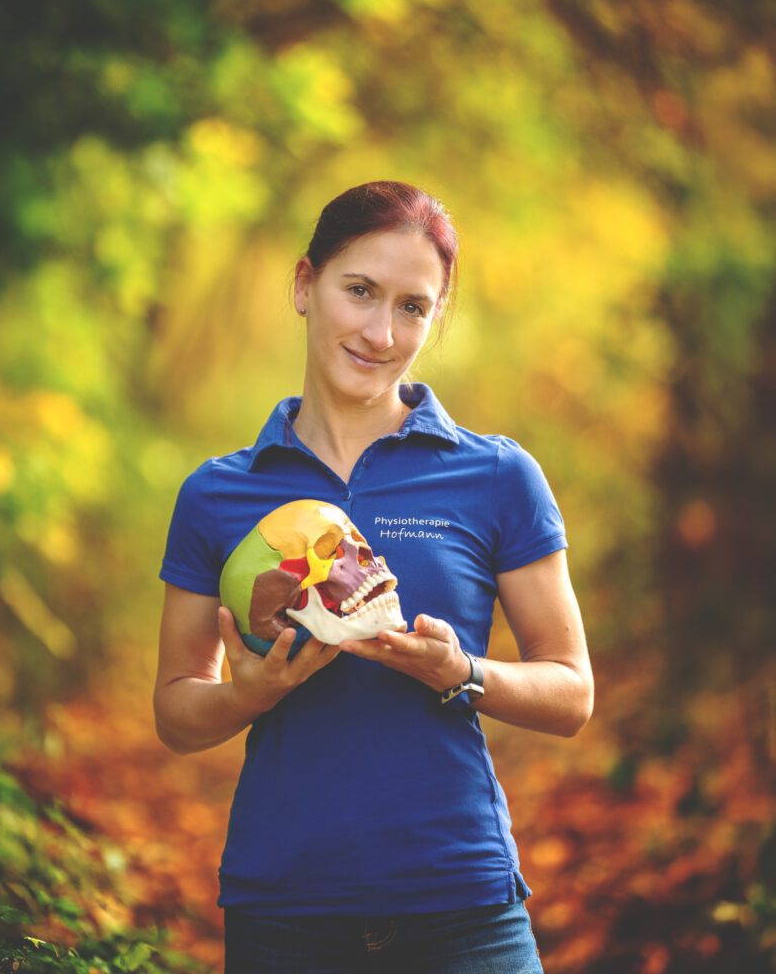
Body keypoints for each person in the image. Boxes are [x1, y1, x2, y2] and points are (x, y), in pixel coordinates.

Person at [154, 180, 594, 974]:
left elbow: (572, 693)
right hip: (283, 911)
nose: (382, 332)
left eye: (413, 307)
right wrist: (246, 696)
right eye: (360, 291)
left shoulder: (497, 476)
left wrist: (461, 671)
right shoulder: (217, 494)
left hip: (464, 907)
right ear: (303, 285)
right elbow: (178, 713)